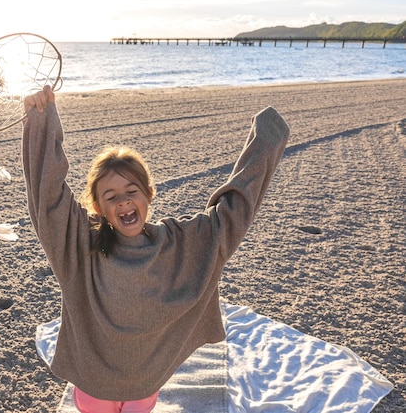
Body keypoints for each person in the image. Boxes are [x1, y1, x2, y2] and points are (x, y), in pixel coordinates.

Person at [22, 86, 289, 413]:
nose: (123, 201)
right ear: (98, 207)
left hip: (144, 388)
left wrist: (266, 139)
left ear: (148, 194)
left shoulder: (176, 243)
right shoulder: (80, 244)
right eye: (111, 196)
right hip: (93, 389)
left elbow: (230, 216)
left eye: (131, 191)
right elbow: (48, 198)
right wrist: (41, 120)